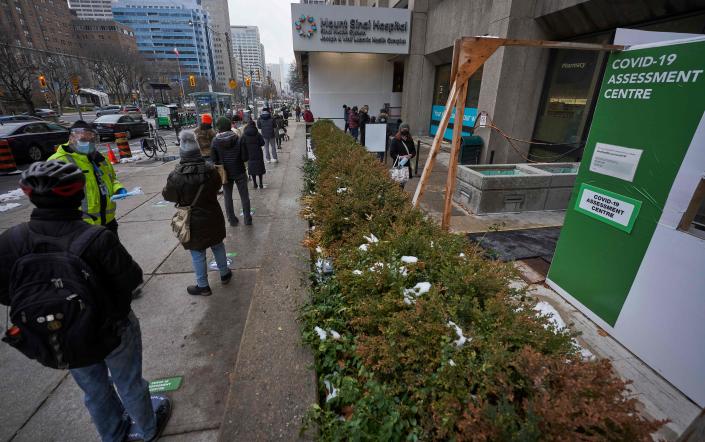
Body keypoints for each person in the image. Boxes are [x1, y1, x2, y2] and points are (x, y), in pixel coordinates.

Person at [0, 161, 171, 442]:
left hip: (60, 332)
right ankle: (147, 427)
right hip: (111, 328)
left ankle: (113, 434)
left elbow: (5, 292)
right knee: (128, 382)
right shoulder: (95, 238)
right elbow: (130, 279)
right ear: (78, 196)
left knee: (94, 390)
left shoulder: (11, 241)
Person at [162, 130, 232, 296]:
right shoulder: (210, 170)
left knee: (197, 252)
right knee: (217, 245)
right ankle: (224, 274)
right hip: (213, 215)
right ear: (198, 151)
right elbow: (217, 187)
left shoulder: (176, 175)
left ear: (182, 153)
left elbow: (168, 195)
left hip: (192, 220)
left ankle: (203, 286)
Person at [49, 121, 126, 238]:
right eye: (83, 140)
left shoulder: (100, 159)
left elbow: (111, 179)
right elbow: (50, 196)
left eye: (90, 139)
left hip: (108, 222)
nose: (87, 143)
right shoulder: (58, 161)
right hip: (80, 226)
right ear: (71, 138)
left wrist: (118, 188)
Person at [211, 117, 252, 227]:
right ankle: (248, 219)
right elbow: (245, 157)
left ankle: (232, 220)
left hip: (225, 173)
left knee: (227, 196)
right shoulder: (239, 139)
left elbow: (214, 159)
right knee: (244, 196)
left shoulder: (215, 141)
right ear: (229, 126)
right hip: (239, 171)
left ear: (219, 128)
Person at [389, 122, 417, 188]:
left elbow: (414, 151)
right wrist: (402, 157)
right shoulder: (395, 140)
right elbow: (392, 153)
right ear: (400, 129)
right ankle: (398, 196)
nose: (405, 130)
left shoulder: (410, 140)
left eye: (406, 129)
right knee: (398, 184)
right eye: (403, 129)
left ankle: (400, 196)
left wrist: (410, 155)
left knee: (403, 183)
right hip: (399, 164)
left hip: (407, 164)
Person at [240, 120, 266, 189]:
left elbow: (241, 144)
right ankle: (261, 183)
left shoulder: (244, 135)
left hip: (249, 154)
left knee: (252, 169)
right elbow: (263, 143)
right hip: (258, 154)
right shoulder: (257, 134)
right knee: (259, 168)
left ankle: (255, 184)